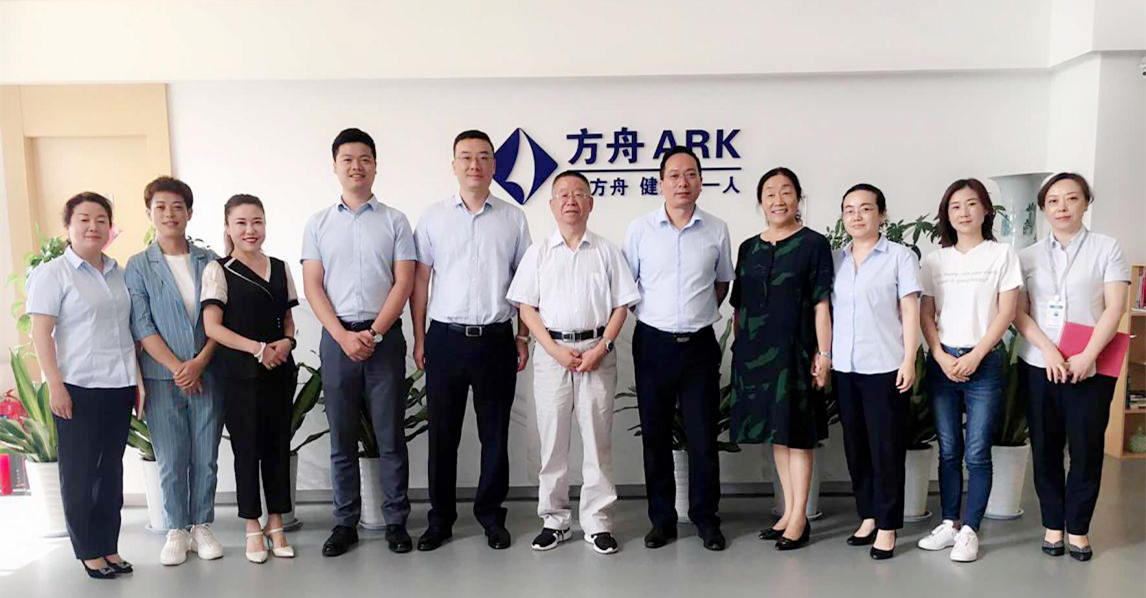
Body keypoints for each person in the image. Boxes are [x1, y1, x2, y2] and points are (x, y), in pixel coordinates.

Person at [507, 171, 640, 555]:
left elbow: (621, 305)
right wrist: (552, 349)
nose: (571, 200)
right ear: (552, 205)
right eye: (563, 194)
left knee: (597, 442)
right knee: (551, 442)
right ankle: (555, 520)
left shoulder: (607, 251)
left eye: (579, 193)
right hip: (553, 356)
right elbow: (526, 307)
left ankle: (598, 523)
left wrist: (602, 348)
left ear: (590, 203)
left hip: (597, 353)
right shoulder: (539, 252)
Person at [412, 130, 532, 551]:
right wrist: (419, 338)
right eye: (466, 157)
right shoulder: (433, 217)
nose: (474, 165)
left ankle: (491, 516)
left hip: (496, 340)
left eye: (483, 157)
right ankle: (440, 519)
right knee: (442, 435)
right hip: (445, 339)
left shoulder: (513, 218)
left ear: (494, 166)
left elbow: (526, 284)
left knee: (494, 434)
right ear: (454, 165)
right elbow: (421, 282)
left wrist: (522, 336)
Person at [301, 128, 416, 556]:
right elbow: (313, 286)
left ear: (375, 166)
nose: (356, 166)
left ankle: (396, 521)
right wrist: (343, 336)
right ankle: (344, 522)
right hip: (337, 341)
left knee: (390, 437)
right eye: (347, 159)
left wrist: (375, 333)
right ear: (335, 166)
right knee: (342, 438)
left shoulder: (395, 221)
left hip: (384, 339)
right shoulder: (318, 224)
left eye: (364, 158)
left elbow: (403, 282)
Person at [623, 146, 733, 551]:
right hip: (653, 344)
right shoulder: (640, 229)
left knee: (702, 436)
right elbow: (627, 288)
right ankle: (662, 520)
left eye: (690, 174)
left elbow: (721, 284)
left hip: (699, 345)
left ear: (700, 182)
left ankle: (706, 520)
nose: (682, 182)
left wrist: (694, 314)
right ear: (661, 183)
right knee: (655, 436)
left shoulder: (717, 229)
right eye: (674, 175)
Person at [1015, 173, 1129, 561]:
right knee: (1045, 447)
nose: (1062, 207)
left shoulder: (1106, 248)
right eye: (1053, 201)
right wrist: (1048, 351)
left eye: (1071, 198)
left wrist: (1088, 355)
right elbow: (1019, 312)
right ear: (1043, 208)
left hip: (1090, 366)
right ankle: (1052, 524)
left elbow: (1115, 307)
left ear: (1085, 203)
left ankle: (1078, 528)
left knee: (1086, 448)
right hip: (1039, 363)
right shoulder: (1027, 256)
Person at [26, 192, 137, 579]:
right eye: (84, 219)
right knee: (80, 472)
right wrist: (55, 386)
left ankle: (109, 545)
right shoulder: (53, 273)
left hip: (119, 385)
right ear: (68, 226)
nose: (93, 227)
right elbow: (41, 333)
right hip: (77, 387)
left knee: (111, 472)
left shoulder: (118, 272)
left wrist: (137, 381)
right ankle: (89, 551)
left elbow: (127, 331)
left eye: (101, 220)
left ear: (110, 227)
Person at [917, 178, 1021, 563]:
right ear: (946, 214)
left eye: (971, 204)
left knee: (977, 452)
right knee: (948, 450)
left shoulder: (1002, 254)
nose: (963, 212)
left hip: (984, 363)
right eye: (955, 206)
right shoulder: (935, 260)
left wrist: (977, 354)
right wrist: (940, 355)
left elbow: (1007, 311)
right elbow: (926, 313)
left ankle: (971, 530)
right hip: (943, 363)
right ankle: (949, 523)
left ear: (986, 210)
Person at [729, 167, 833, 552]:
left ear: (798, 198)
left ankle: (800, 518)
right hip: (755, 357)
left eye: (786, 191)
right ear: (760, 202)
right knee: (778, 433)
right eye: (770, 193)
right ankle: (788, 512)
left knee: (798, 435)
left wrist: (824, 353)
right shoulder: (748, 248)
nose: (778, 200)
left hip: (797, 354)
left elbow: (822, 304)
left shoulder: (813, 244)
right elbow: (739, 307)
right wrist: (739, 351)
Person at [125, 176, 224, 566]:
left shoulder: (209, 260)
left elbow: (221, 319)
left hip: (208, 371)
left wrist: (200, 362)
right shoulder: (138, 265)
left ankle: (202, 526)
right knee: (170, 458)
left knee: (206, 455)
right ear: (149, 213)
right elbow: (142, 323)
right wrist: (179, 368)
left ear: (190, 213)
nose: (169, 214)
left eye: (177, 207)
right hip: (161, 377)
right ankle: (176, 529)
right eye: (161, 207)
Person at [201, 194, 298, 564]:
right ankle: (252, 525)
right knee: (247, 450)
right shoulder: (219, 270)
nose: (250, 230)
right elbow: (213, 327)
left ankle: (277, 522)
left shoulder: (280, 267)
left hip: (279, 369)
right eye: (240, 223)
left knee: (277, 446)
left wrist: (287, 342)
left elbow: (287, 319)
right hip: (239, 373)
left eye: (256, 221)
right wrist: (258, 349)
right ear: (228, 228)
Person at [830, 184, 921, 560]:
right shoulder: (835, 259)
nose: (856, 215)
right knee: (856, 447)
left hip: (885, 366)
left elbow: (911, 309)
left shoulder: (899, 256)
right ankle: (867, 514)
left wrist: (909, 359)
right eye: (849, 209)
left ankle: (887, 525)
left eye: (865, 208)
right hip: (845, 366)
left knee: (886, 448)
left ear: (881, 214)